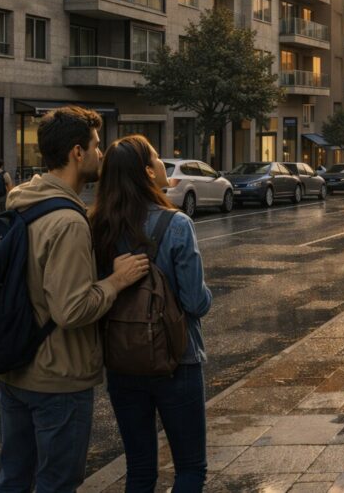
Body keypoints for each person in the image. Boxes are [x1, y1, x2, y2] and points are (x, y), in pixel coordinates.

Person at [0, 106, 149, 493]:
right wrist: (116, 280)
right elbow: (72, 309)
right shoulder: (66, 221)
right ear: (77, 153)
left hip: (16, 368)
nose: (101, 154)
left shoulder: (23, 201)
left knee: (14, 479)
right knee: (57, 483)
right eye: (96, 146)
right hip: (58, 378)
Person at [91, 135, 213, 492]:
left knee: (140, 470)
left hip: (122, 362)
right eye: (158, 158)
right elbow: (195, 302)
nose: (164, 163)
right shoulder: (176, 225)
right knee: (190, 469)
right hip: (178, 360)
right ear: (147, 172)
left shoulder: (98, 226)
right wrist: (208, 293)